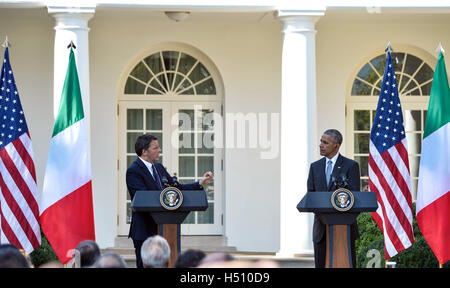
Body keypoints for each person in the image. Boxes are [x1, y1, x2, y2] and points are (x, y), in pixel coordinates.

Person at [126, 133, 214, 268]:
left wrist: (200, 183)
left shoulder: (159, 168)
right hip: (145, 229)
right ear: (144, 151)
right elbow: (143, 197)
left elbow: (175, 188)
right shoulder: (133, 170)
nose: (159, 150)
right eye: (155, 148)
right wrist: (165, 196)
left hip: (164, 228)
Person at [307, 129, 360, 268]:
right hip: (321, 230)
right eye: (321, 141)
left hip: (344, 230)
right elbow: (311, 195)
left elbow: (354, 197)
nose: (320, 145)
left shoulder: (350, 166)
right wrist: (324, 215)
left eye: (325, 142)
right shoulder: (315, 167)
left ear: (336, 146)